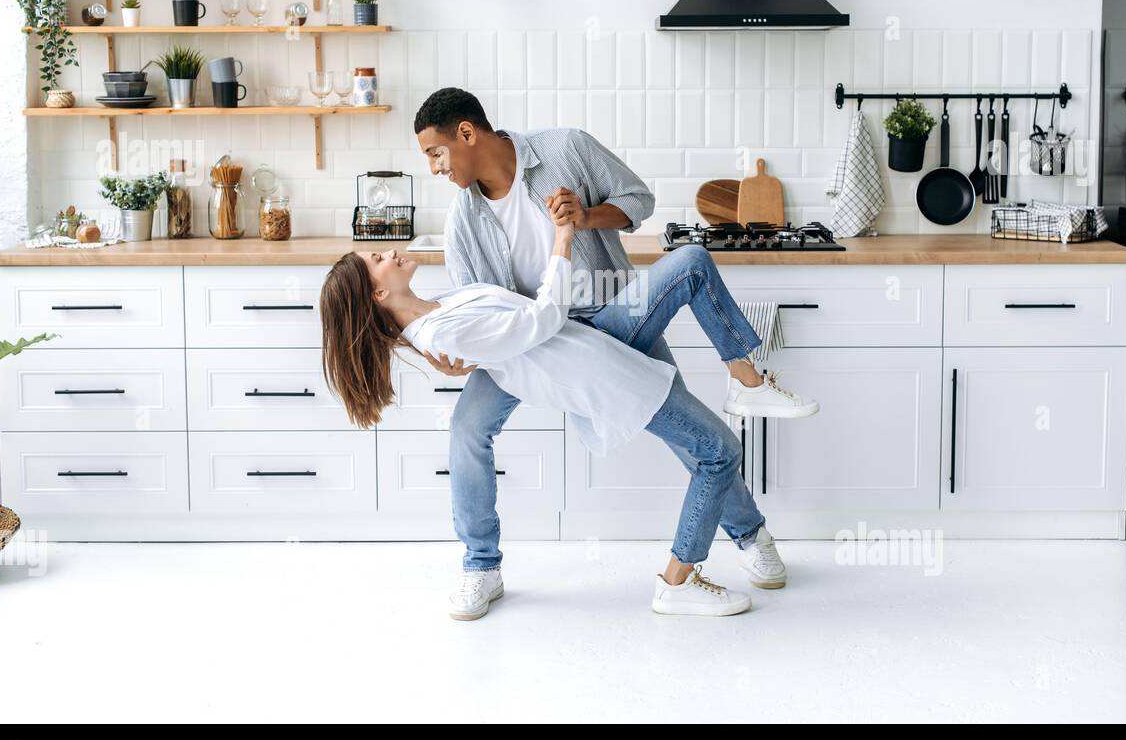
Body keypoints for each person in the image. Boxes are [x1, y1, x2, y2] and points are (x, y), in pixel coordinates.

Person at [408, 87, 817, 619]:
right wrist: (457, 353)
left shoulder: (564, 149)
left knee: (693, 437)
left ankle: (750, 535)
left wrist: (586, 216)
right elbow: (474, 308)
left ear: (467, 133)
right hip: (534, 345)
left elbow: (638, 201)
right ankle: (481, 566)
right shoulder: (462, 222)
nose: (435, 169)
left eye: (435, 153)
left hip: (614, 315)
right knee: (466, 426)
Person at [319, 205, 815, 619]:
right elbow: (542, 318)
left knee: (690, 261)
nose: (391, 251)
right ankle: (677, 580)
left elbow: (488, 323)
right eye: (379, 258)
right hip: (599, 371)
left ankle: (747, 384)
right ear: (380, 293)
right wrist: (563, 237)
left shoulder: (436, 309)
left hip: (596, 333)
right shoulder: (440, 325)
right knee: (717, 452)